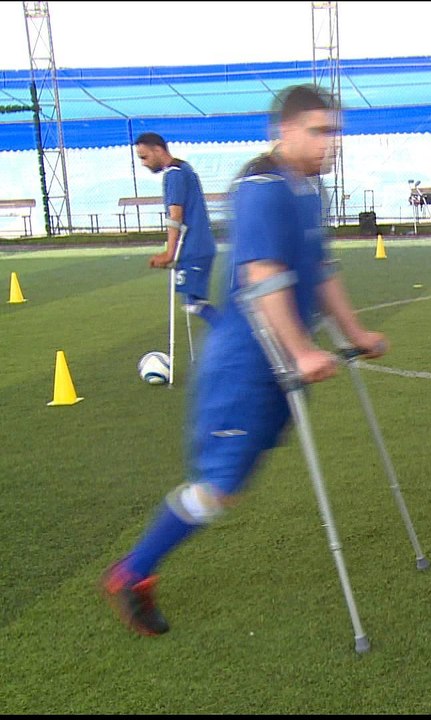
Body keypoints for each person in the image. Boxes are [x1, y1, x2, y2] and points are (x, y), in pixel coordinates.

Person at [100, 85, 389, 637]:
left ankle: (138, 566)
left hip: (278, 362)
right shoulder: (261, 189)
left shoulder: (309, 190)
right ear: (284, 131)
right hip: (246, 364)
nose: (330, 143)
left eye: (335, 132)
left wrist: (355, 332)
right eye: (319, 131)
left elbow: (320, 269)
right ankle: (131, 572)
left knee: (232, 482)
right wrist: (304, 351)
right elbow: (262, 276)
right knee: (217, 487)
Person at [134, 132, 219, 325]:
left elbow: (175, 216)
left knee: (194, 303)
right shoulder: (183, 168)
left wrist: (169, 253)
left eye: (144, 157)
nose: (144, 163)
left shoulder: (174, 174)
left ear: (158, 150)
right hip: (198, 245)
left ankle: (237, 340)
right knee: (193, 302)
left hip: (193, 247)